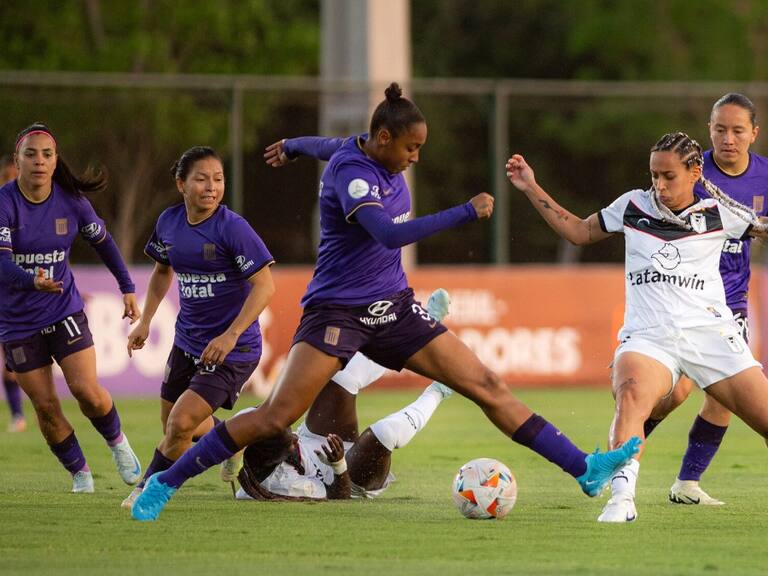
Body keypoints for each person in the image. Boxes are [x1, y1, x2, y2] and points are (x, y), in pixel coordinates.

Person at [131, 82, 640, 522]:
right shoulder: (353, 176)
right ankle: (163, 484)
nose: (415, 157)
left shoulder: (361, 148)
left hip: (393, 306)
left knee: (485, 384)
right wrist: (465, 211)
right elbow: (387, 235)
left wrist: (292, 145)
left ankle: (584, 470)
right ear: (384, 139)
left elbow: (329, 143)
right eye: (412, 148)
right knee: (273, 416)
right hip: (336, 312)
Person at [506, 131, 768, 523]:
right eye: (654, 175)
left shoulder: (721, 213)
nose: (659, 185)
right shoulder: (631, 205)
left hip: (711, 336)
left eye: (668, 176)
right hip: (650, 338)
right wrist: (530, 186)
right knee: (630, 395)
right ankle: (622, 498)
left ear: (695, 172)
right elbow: (578, 231)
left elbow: (762, 228)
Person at [121, 146, 275, 509]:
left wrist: (231, 334)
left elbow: (266, 286)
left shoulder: (232, 228)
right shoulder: (169, 223)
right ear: (181, 184)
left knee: (179, 425)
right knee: (174, 426)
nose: (211, 187)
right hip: (188, 341)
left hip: (233, 349)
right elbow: (162, 271)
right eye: (201, 179)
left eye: (218, 179)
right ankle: (231, 440)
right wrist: (146, 320)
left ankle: (148, 490)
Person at [0, 123, 142, 492]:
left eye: (46, 154)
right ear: (17, 161)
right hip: (17, 321)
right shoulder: (4, 203)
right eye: (30, 154)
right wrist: (32, 281)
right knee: (46, 407)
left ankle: (118, 444)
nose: (39, 161)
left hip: (63, 310)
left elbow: (105, 243)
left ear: (55, 160)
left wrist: (127, 287)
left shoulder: (72, 202)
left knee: (86, 391)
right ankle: (80, 472)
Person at [642, 94, 768, 506]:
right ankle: (619, 452)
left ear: (754, 132)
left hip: (730, 303)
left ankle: (686, 484)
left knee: (722, 397)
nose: (727, 138)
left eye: (736, 130)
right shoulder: (692, 171)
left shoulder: (766, 175)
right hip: (682, 296)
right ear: (708, 129)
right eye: (719, 129)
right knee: (674, 394)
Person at [236, 288, 453, 501]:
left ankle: (422, 332)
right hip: (346, 478)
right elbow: (339, 496)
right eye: (291, 442)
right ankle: (439, 390)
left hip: (316, 442)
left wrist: (232, 457)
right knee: (384, 434)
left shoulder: (268, 449)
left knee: (341, 378)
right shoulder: (287, 485)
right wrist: (339, 464)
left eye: (290, 438)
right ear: (274, 456)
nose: (294, 438)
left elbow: (248, 422)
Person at [0, 153, 25, 432]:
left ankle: (18, 415)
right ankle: (17, 416)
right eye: (7, 177)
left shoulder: (29, 214)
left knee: (12, 361)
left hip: (21, 294)